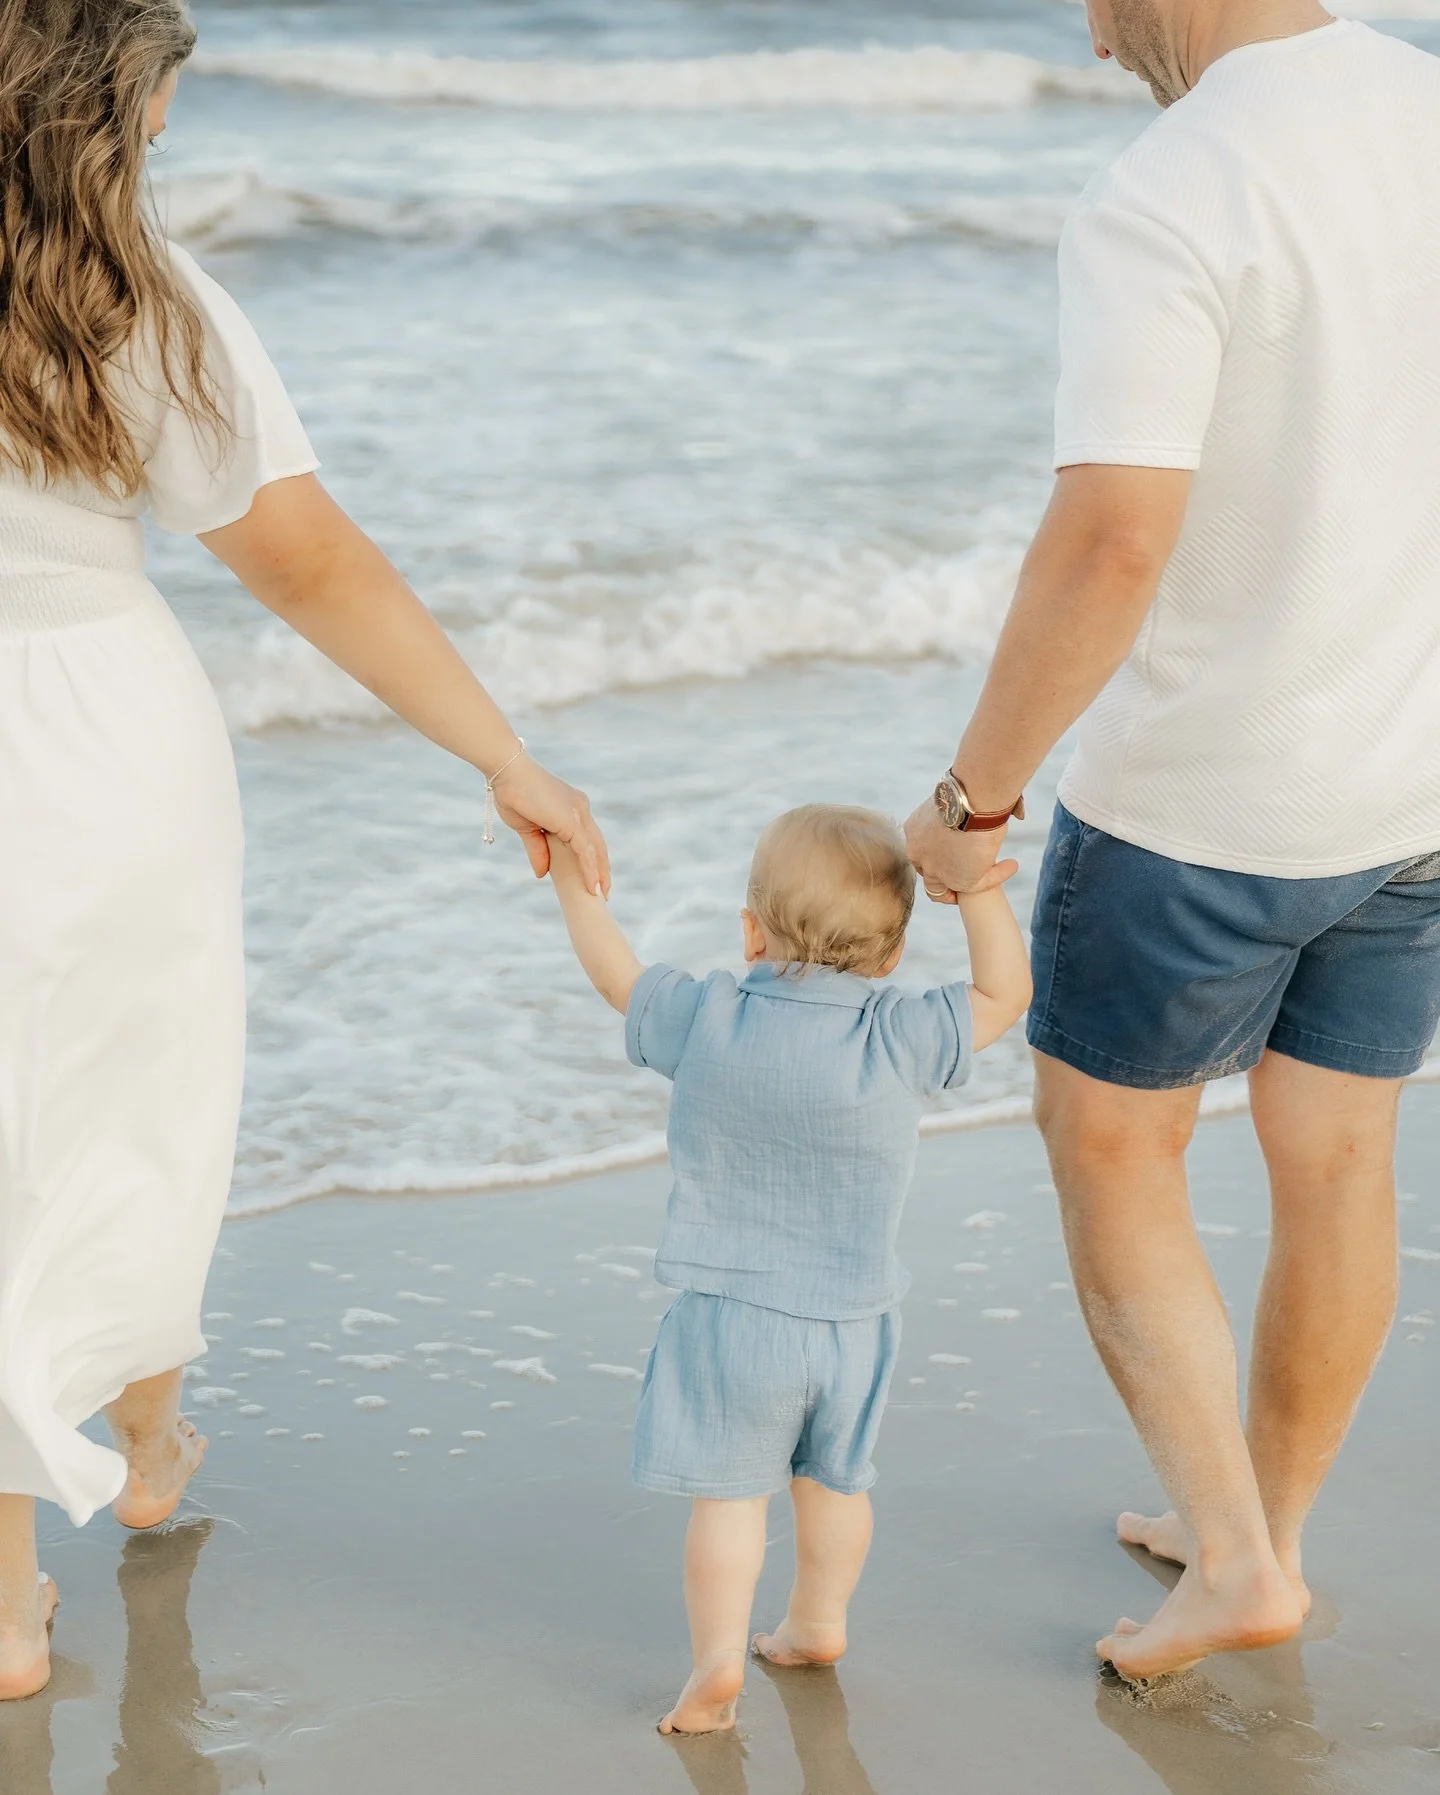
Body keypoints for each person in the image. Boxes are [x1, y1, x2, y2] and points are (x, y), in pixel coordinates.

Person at [0, 0, 608, 1702]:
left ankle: (38, 1546)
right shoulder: (138, 300)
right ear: (112, 99)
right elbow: (313, 564)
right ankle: (137, 1449)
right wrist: (507, 757)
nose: (177, 130)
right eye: (169, 95)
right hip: (102, 739)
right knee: (125, 1105)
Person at [905, 0, 1440, 1681]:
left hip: (1207, 806)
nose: (1085, 30)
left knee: (1117, 1150)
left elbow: (1113, 542)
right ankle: (1255, 1524)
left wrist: (973, 803)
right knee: (1339, 1156)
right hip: (1416, 786)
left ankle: (1231, 1556)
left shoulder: (1173, 186)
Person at [549, 805, 1031, 1733]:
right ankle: (817, 1621)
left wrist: (574, 879)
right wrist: (971, 889)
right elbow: (1004, 992)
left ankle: (718, 1666)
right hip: (854, 1323)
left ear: (750, 930)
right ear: (892, 956)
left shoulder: (709, 1015)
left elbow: (614, 971)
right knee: (837, 1483)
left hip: (732, 1319)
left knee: (731, 1505)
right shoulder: (899, 1033)